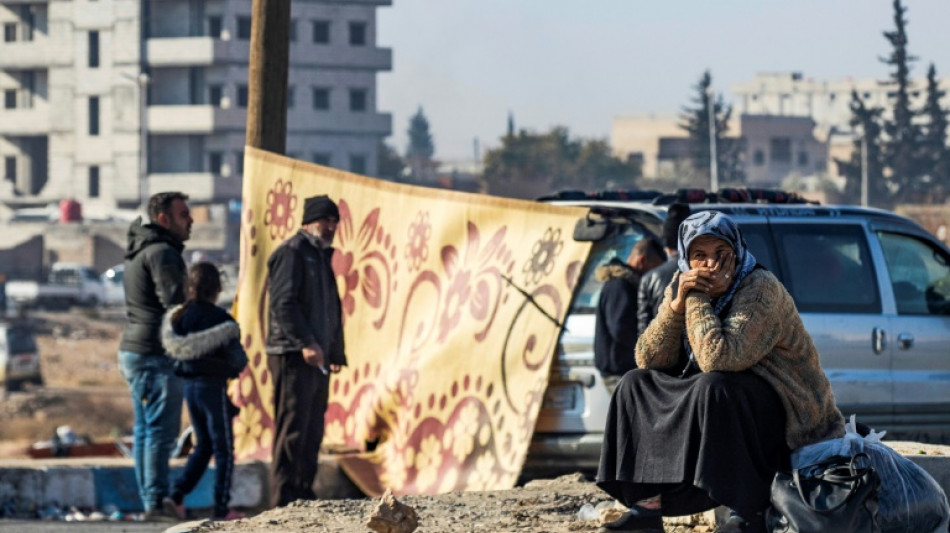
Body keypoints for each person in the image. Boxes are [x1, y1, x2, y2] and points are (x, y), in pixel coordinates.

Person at [596, 211, 845, 533]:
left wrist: (697, 298)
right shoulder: (679, 284)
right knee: (634, 383)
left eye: (720, 254)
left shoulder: (759, 287)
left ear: (737, 253)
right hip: (724, 398)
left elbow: (720, 357)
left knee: (715, 385)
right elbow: (648, 357)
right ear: (685, 258)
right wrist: (675, 307)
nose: (709, 265)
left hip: (787, 410)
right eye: (699, 256)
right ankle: (646, 509)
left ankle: (748, 514)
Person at [266, 194, 347, 508]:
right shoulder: (293, 253)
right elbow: (283, 304)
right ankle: (283, 500)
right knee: (293, 428)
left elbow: (330, 309)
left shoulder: (320, 256)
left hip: (318, 357)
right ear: (309, 221)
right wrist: (306, 343)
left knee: (313, 428)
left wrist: (335, 352)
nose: (330, 227)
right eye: (325, 220)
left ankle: (303, 495)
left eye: (334, 222)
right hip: (292, 354)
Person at [117, 191, 192, 519]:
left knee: (147, 430)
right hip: (154, 354)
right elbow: (174, 304)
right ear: (164, 219)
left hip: (139, 351)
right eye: (183, 215)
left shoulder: (142, 249)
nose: (190, 220)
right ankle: (155, 502)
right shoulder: (162, 253)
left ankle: (152, 500)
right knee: (160, 433)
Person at [161, 262, 247, 522]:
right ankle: (222, 508)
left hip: (190, 388)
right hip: (213, 388)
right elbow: (238, 360)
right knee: (224, 449)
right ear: (218, 289)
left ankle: (176, 496)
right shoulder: (222, 321)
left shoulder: (179, 318)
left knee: (203, 446)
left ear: (190, 288)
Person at [594, 237, 665, 395]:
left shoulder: (624, 284)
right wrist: (647, 348)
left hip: (622, 371)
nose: (654, 277)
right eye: (654, 270)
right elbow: (621, 328)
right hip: (619, 372)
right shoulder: (620, 285)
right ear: (642, 260)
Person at [637, 203, 691, 337]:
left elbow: (644, 330)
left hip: (661, 351)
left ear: (666, 246)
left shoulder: (649, 278)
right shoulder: (711, 272)